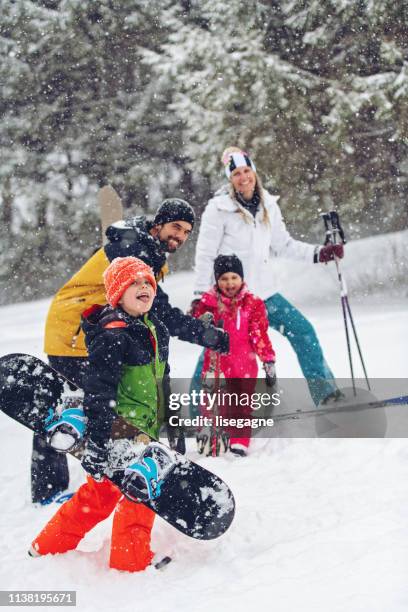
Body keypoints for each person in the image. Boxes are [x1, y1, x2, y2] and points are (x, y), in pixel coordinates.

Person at [33, 198, 229, 504]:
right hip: (76, 331)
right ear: (159, 223)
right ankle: (54, 490)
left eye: (186, 232)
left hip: (93, 330)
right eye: (175, 227)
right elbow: (158, 310)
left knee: (83, 403)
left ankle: (60, 484)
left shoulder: (145, 248)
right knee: (90, 402)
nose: (179, 236)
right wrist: (204, 334)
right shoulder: (135, 249)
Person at [29, 256, 170, 572]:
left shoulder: (154, 328)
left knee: (99, 494)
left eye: (148, 281)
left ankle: (47, 548)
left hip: (144, 425)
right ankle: (129, 565)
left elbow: (162, 378)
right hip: (121, 428)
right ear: (118, 292)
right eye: (134, 282)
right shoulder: (113, 333)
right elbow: (99, 392)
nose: (144, 286)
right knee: (139, 494)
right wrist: (98, 443)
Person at [190, 147, 344, 409]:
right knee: (215, 351)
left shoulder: (268, 205)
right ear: (230, 179)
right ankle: (195, 413)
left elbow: (284, 244)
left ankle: (326, 394)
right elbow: (205, 255)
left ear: (254, 172)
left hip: (264, 294)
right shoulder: (218, 209)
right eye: (237, 173)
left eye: (247, 170)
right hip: (231, 299)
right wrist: (199, 297)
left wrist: (320, 254)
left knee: (303, 331)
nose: (243, 177)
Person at [192, 254, 276, 457]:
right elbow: (196, 329)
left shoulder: (252, 303)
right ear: (217, 280)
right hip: (216, 364)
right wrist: (199, 317)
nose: (229, 283)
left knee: (241, 404)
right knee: (211, 402)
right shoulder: (209, 303)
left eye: (234, 278)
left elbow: (259, 334)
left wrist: (268, 360)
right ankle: (212, 438)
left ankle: (239, 440)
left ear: (242, 278)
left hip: (244, 366)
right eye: (224, 279)